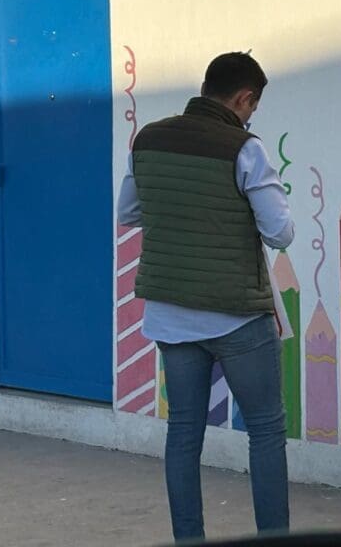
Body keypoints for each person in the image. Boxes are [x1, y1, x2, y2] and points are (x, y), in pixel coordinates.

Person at [117, 51, 294, 542]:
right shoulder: (246, 149)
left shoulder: (147, 140)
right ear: (244, 98)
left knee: (183, 431)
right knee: (265, 430)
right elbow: (280, 232)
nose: (251, 115)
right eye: (253, 107)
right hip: (237, 315)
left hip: (170, 314)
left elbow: (129, 212)